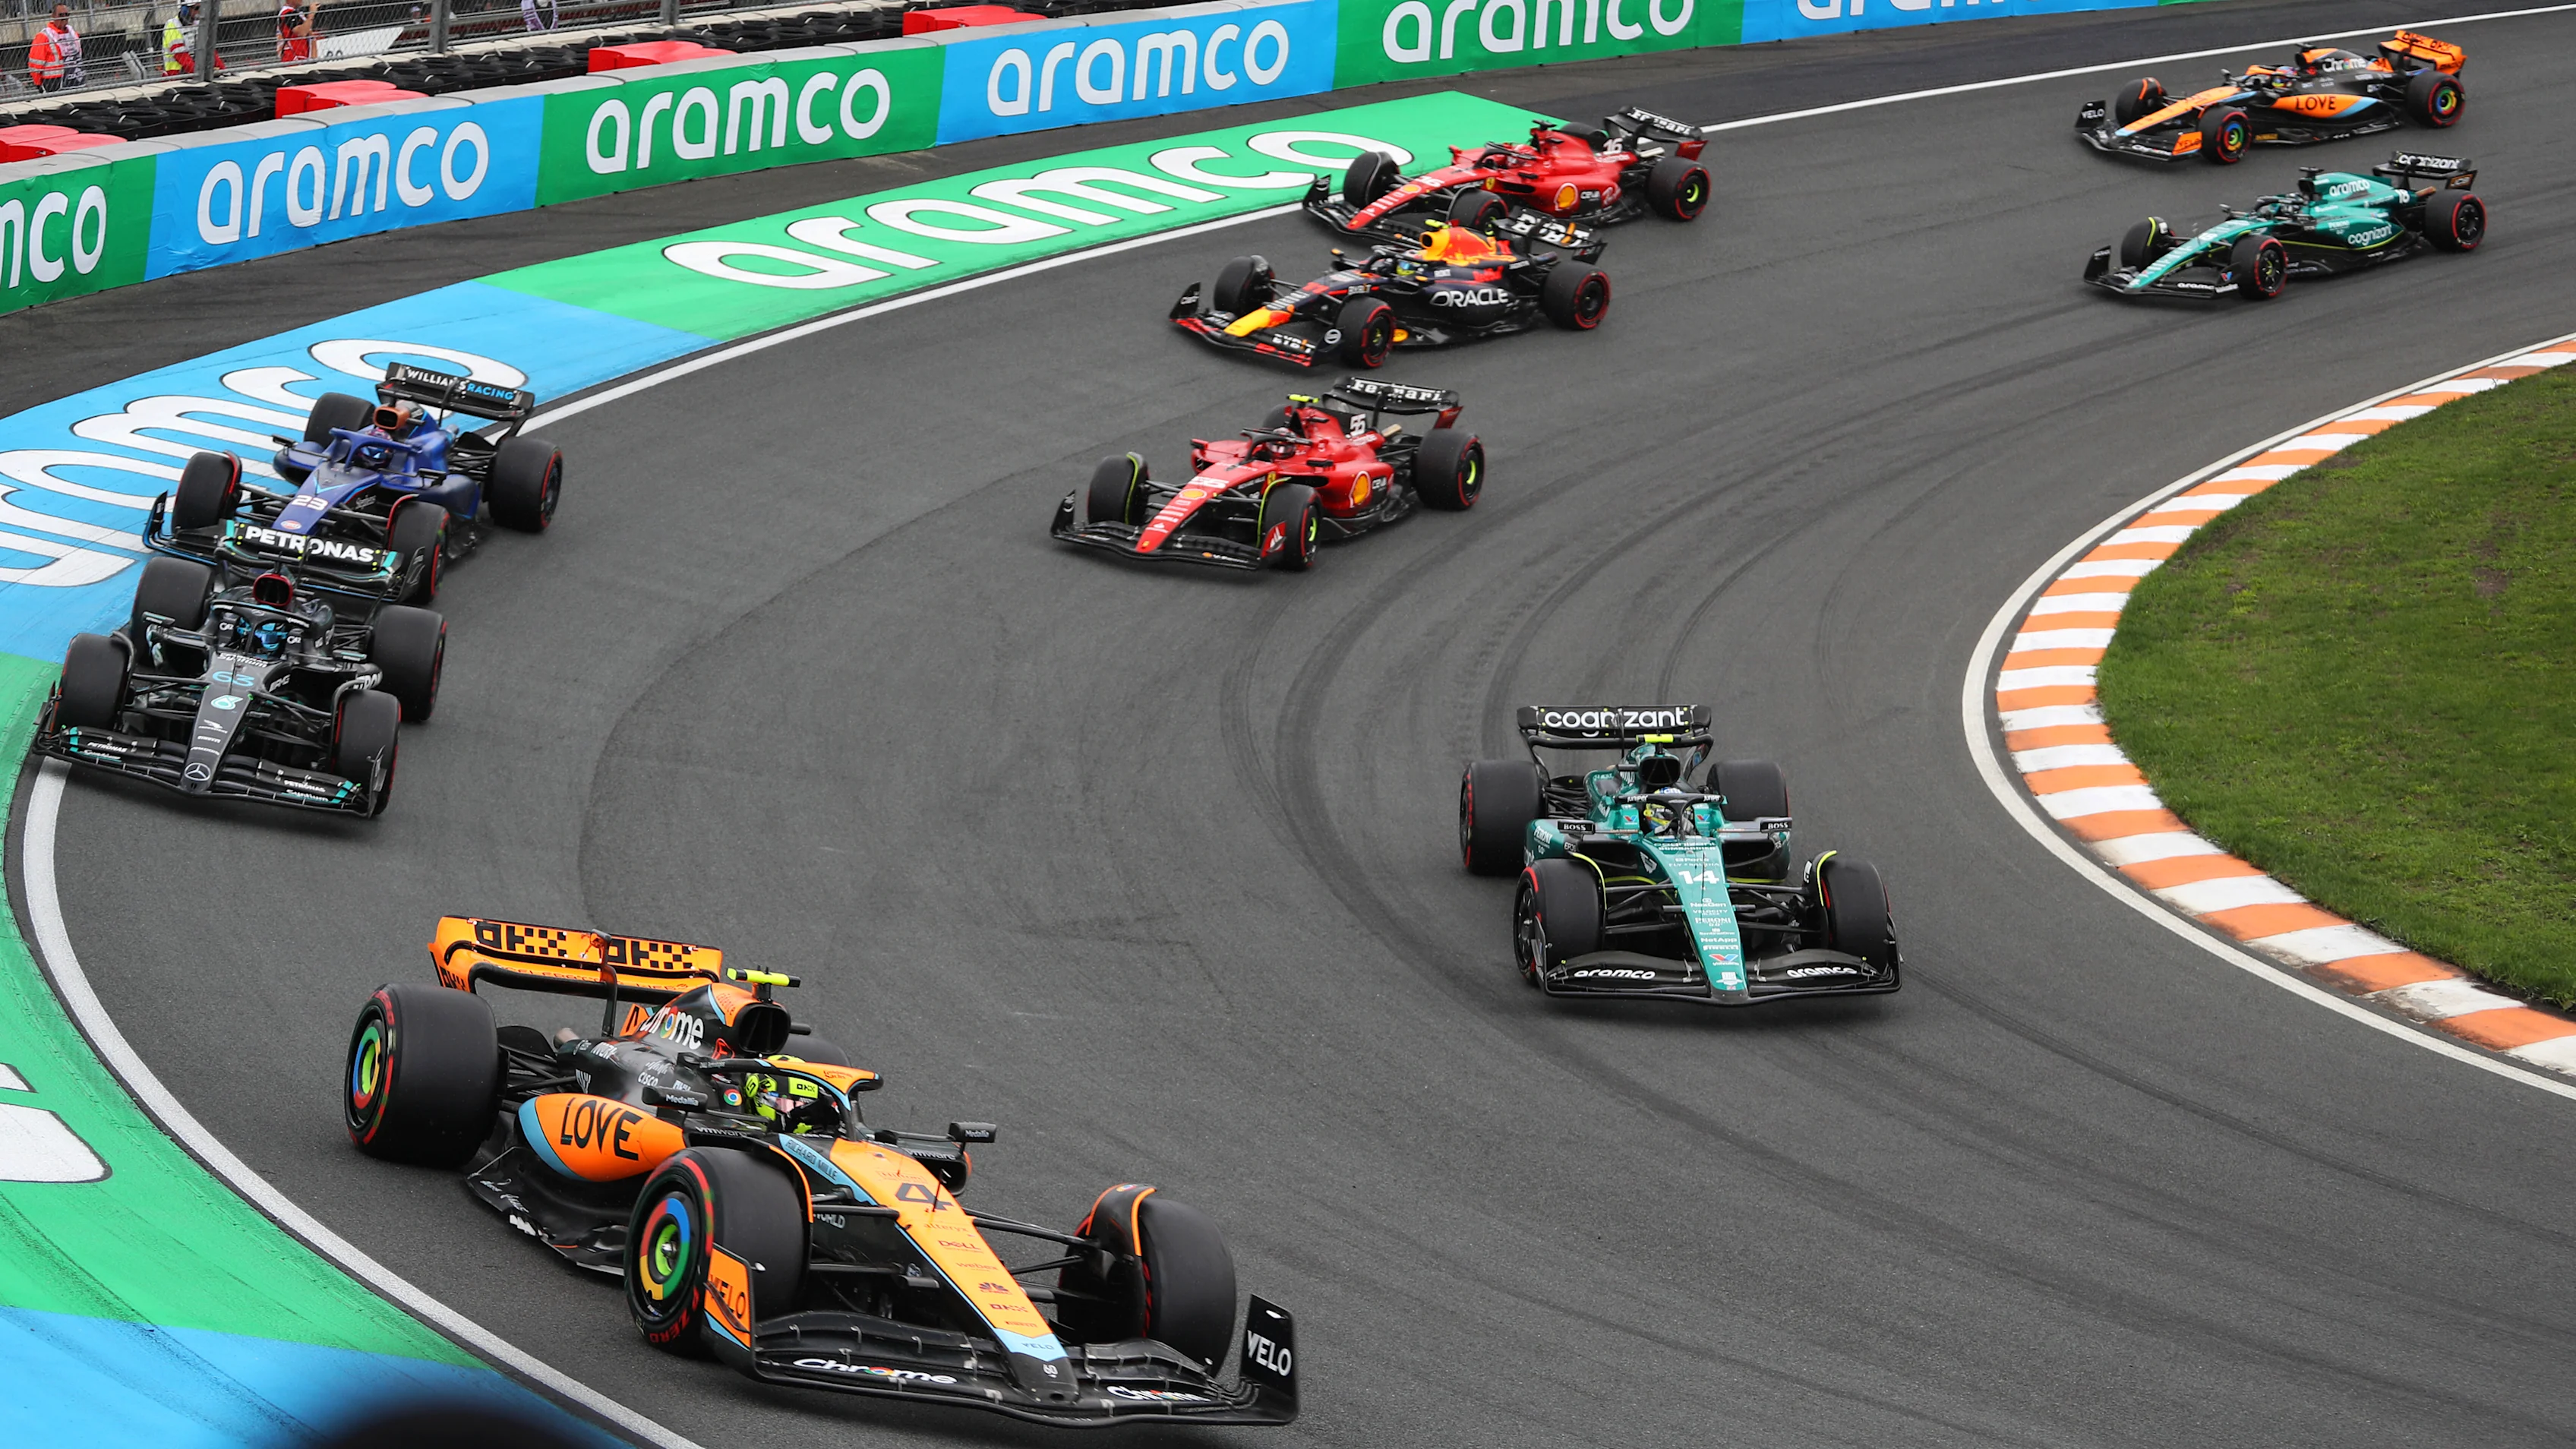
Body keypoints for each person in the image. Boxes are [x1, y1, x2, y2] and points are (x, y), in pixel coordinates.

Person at [28, 5, 84, 93]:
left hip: (76, 80)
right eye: (61, 15)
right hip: (54, 82)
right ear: (53, 16)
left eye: (67, 14)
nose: (64, 18)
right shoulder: (44, 37)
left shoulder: (73, 34)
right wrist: (38, 85)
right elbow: (35, 66)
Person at [278, 0, 313, 65]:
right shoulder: (287, 13)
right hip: (294, 56)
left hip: (302, 55)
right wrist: (311, 14)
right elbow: (302, 32)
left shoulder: (296, 12)